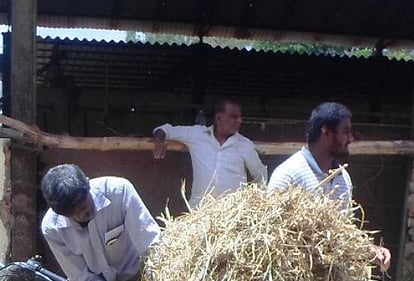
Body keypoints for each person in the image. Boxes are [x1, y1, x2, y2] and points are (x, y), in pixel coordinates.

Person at [267, 102, 391, 271]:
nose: (351, 138)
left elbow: (342, 234)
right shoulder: (289, 175)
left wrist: (370, 250)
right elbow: (270, 235)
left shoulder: (343, 178)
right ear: (326, 132)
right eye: (345, 132)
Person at [152, 98, 266, 209]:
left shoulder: (245, 145)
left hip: (232, 215)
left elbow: (261, 177)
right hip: (199, 213)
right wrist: (159, 141)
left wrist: (254, 206)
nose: (240, 121)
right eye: (234, 117)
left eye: (240, 117)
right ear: (219, 118)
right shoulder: (197, 135)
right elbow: (164, 129)